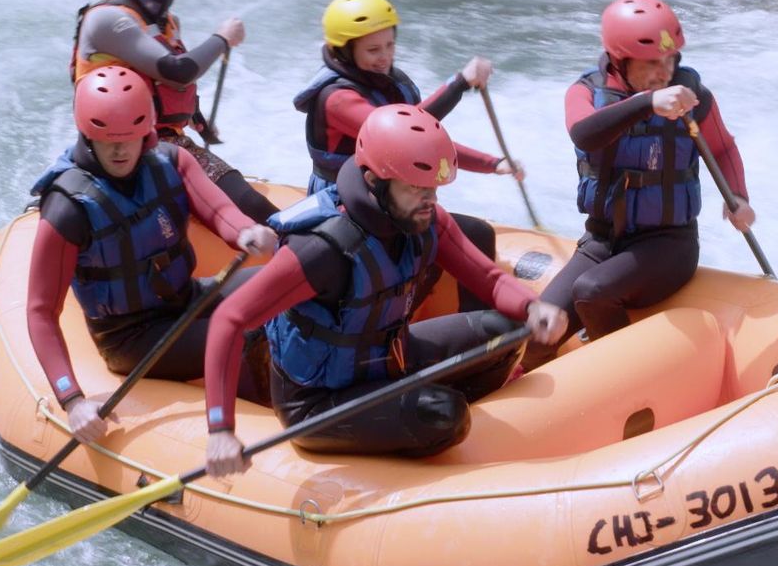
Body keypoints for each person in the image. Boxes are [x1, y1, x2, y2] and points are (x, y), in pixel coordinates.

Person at [199, 105, 567, 476]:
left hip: (392, 360)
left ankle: (408, 419)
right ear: (374, 181)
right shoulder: (322, 249)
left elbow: (487, 278)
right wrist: (220, 430)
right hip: (319, 403)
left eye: (434, 189)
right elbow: (230, 319)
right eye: (416, 188)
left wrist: (532, 307)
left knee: (503, 334)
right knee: (445, 415)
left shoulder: (422, 219)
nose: (432, 201)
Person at [27, 66, 278, 445]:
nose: (120, 149)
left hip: (187, 297)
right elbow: (41, 312)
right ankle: (273, 424)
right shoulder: (67, 208)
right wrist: (72, 399)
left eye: (130, 138)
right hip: (131, 338)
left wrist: (246, 231)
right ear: (86, 132)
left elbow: (219, 213)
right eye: (108, 139)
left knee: (289, 287)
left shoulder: (172, 161)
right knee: (249, 333)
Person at [526, 0, 755, 368]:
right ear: (620, 59)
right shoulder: (585, 91)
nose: (664, 73)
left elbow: (724, 148)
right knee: (537, 329)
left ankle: (627, 378)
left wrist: (739, 198)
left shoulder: (693, 96)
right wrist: (648, 102)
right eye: (652, 63)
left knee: (592, 291)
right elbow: (584, 134)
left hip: (669, 244)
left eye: (670, 59)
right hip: (602, 240)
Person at [293, 0, 519, 311]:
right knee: (460, 236)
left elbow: (422, 143)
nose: (384, 57)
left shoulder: (387, 81)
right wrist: (459, 83)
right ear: (344, 51)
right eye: (373, 49)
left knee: (473, 234)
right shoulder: (337, 99)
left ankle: (476, 343)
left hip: (390, 195)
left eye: (389, 46)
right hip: (348, 203)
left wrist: (492, 163)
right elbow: (404, 136)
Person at [71, 0, 278, 223]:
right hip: (120, 138)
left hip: (166, 138)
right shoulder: (107, 19)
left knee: (248, 201)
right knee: (248, 203)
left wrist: (198, 120)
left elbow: (163, 84)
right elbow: (177, 71)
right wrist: (222, 39)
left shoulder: (168, 22)